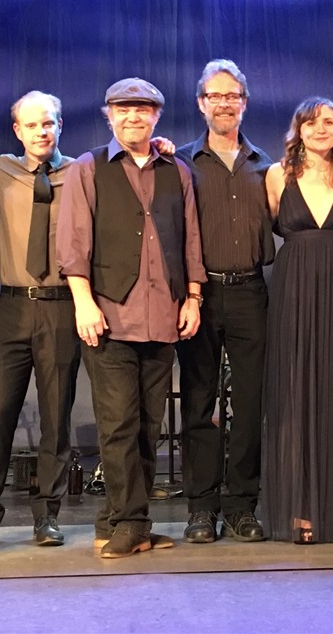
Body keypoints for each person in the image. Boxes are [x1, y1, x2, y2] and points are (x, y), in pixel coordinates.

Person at [57, 78, 206, 558]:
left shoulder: (176, 170)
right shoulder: (88, 167)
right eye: (123, 109)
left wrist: (193, 297)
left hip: (163, 316)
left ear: (156, 116)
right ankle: (132, 522)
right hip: (110, 315)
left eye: (142, 109)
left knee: (146, 425)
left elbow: (190, 239)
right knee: (119, 423)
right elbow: (73, 242)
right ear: (110, 116)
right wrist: (83, 302)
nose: (133, 117)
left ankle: (116, 521)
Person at [0, 91, 80, 551]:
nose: (40, 132)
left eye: (47, 123)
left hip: (61, 306)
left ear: (59, 125)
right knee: (0, 414)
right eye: (31, 125)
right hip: (11, 306)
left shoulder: (81, 174)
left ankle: (47, 516)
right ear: (17, 131)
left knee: (56, 418)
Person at [263, 97, 333, 543]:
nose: (320, 128)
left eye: (328, 121)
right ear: (298, 130)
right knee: (297, 395)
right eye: (310, 122)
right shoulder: (278, 176)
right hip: (294, 293)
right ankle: (300, 510)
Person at [176, 60, 274, 544]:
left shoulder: (265, 165)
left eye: (232, 95)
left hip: (251, 291)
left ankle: (241, 506)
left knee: (251, 405)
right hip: (201, 294)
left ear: (244, 103)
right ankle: (201, 507)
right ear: (201, 104)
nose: (224, 103)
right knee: (199, 403)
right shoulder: (180, 162)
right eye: (215, 96)